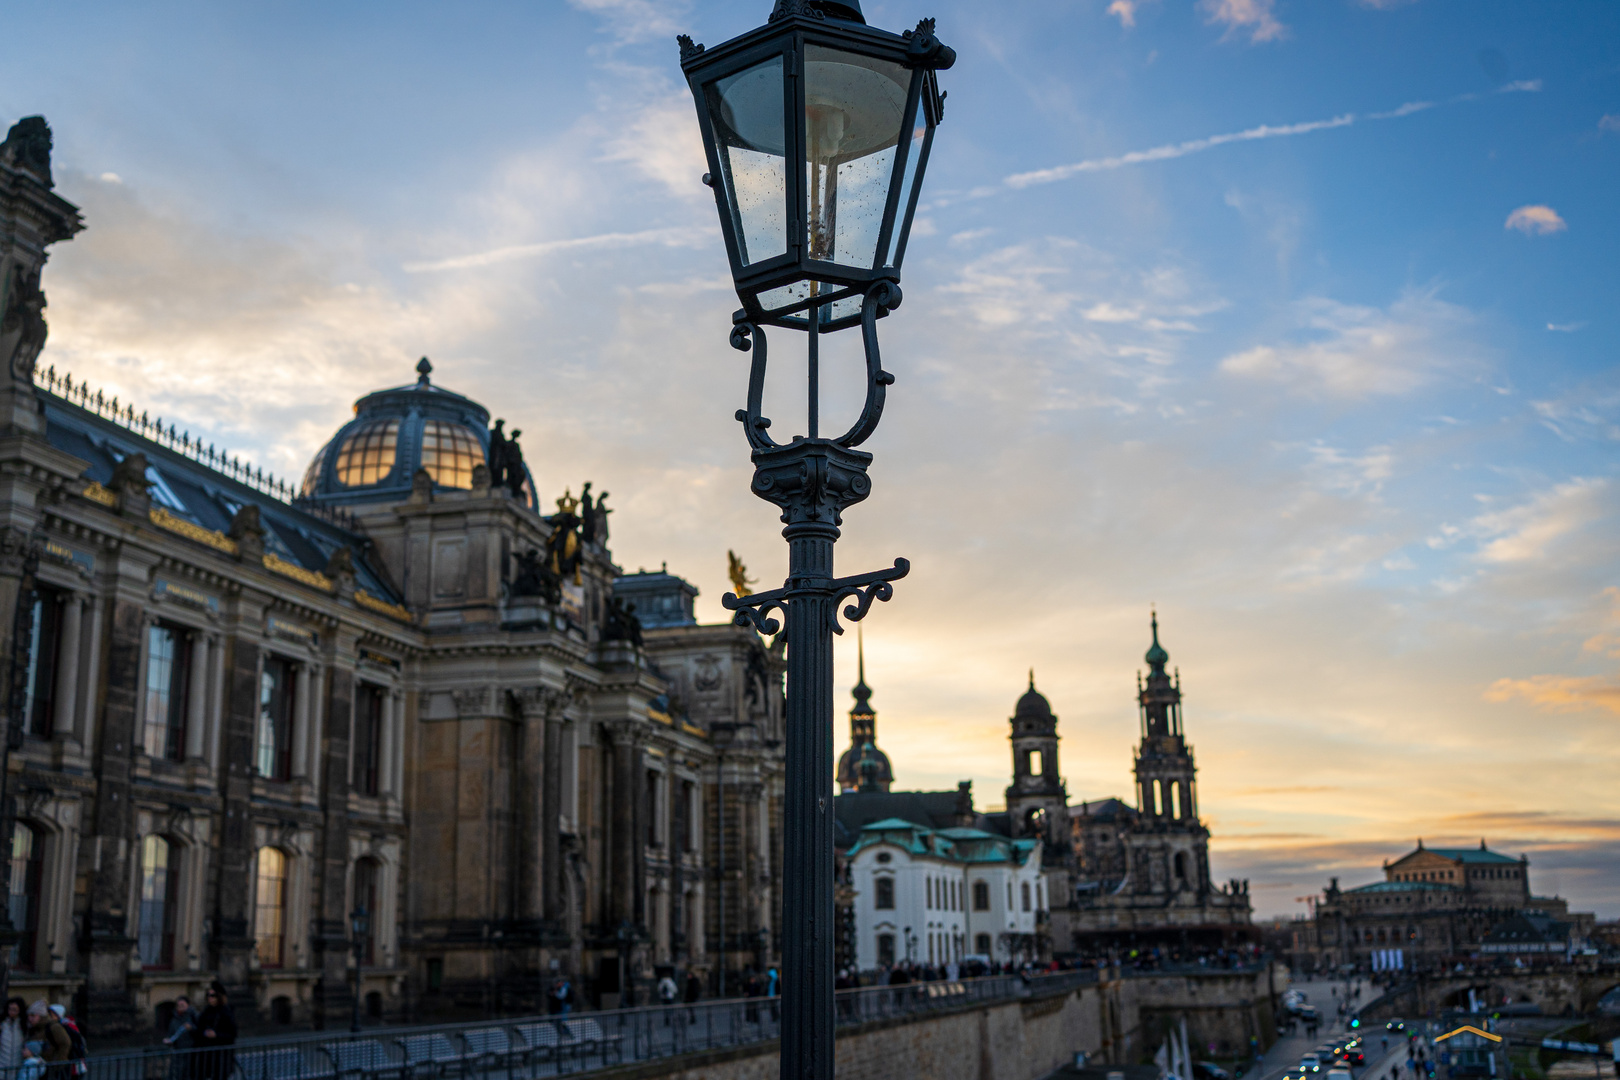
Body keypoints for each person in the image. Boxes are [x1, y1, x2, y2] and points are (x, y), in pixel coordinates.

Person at [193, 983, 236, 1080]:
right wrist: (204, 1033)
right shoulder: (206, 1011)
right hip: (206, 1054)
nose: (210, 998)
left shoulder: (226, 1012)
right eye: (208, 995)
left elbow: (232, 1034)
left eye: (213, 996)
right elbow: (199, 1028)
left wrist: (216, 1035)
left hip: (221, 1056)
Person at [25, 1004, 68, 1079]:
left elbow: (65, 1043)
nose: (29, 1018)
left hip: (51, 1068)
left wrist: (57, 1064)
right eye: (28, 1015)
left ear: (41, 1016)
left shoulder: (54, 1027)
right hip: (39, 1068)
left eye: (33, 1015)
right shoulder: (33, 1028)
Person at [163, 996, 196, 1080]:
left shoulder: (193, 1016)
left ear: (188, 1005)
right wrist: (169, 1040)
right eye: (178, 1005)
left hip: (191, 1051)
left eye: (182, 1005)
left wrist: (191, 1028)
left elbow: (200, 1030)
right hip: (178, 1051)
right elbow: (171, 1033)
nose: (180, 1007)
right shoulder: (174, 1019)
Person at [1, 998, 28, 1073]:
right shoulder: (3, 1024)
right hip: (2, 1065)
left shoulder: (23, 1025)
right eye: (9, 1009)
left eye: (14, 1010)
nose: (11, 1012)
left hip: (17, 1064)